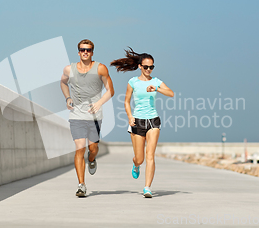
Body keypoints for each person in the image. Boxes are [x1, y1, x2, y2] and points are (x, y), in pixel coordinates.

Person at [111, 48, 174, 198]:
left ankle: (147, 187)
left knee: (150, 155)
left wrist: (157, 88)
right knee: (140, 158)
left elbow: (171, 93)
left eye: (151, 67)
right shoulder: (132, 82)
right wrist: (129, 116)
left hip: (153, 121)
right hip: (137, 122)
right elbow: (126, 101)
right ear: (140, 66)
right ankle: (135, 164)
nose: (148, 70)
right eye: (146, 67)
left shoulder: (156, 81)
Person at [60, 39, 114, 197]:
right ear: (78, 52)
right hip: (76, 115)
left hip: (95, 116)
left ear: (92, 52)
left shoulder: (100, 68)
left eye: (88, 50)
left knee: (92, 149)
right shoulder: (69, 69)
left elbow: (111, 90)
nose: (85, 52)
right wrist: (67, 98)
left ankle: (92, 159)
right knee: (79, 149)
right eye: (82, 49)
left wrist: (99, 103)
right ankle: (81, 185)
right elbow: (63, 83)